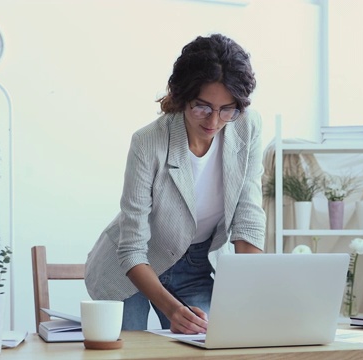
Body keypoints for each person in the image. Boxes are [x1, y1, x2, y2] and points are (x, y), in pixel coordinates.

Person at [85, 34, 265, 335]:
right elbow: (131, 248)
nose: (214, 121)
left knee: (216, 344)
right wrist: (172, 310)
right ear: (183, 97)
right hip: (132, 271)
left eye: (226, 109)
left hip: (196, 264)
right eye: (202, 107)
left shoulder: (247, 125)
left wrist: (248, 295)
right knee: (132, 354)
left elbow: (248, 216)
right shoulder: (148, 142)